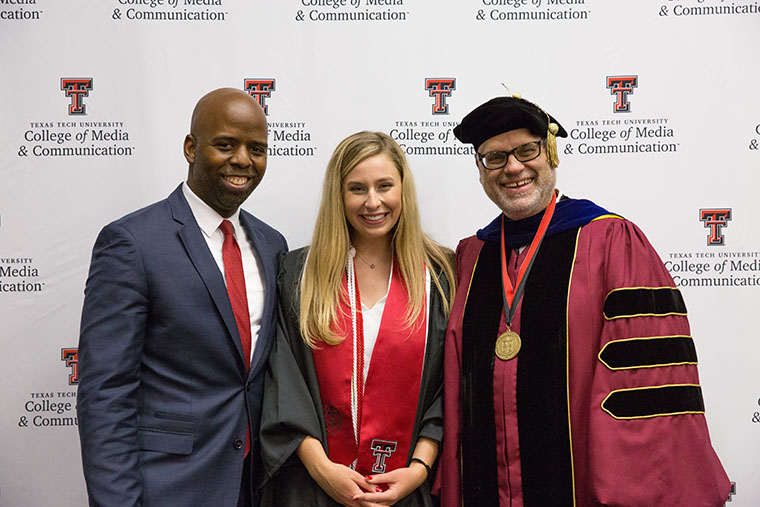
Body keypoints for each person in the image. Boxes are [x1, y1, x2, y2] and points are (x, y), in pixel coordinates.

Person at [437, 93, 731, 506]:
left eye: (527, 150)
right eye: (495, 157)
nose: (514, 168)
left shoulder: (612, 242)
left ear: (551, 152)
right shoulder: (472, 256)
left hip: (580, 487)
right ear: (480, 168)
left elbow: (643, 387)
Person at [76, 88, 287, 507]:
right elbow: (105, 393)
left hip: (256, 487)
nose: (243, 159)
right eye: (226, 144)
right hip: (169, 489)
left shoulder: (272, 244)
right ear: (191, 148)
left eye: (257, 148)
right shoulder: (132, 242)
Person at [259, 131, 454, 507]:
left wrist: (418, 469)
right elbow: (284, 380)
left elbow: (448, 385)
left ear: (403, 190)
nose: (373, 202)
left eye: (385, 186)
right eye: (357, 189)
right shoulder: (300, 273)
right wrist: (322, 470)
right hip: (312, 488)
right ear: (339, 195)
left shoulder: (439, 274)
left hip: (407, 490)